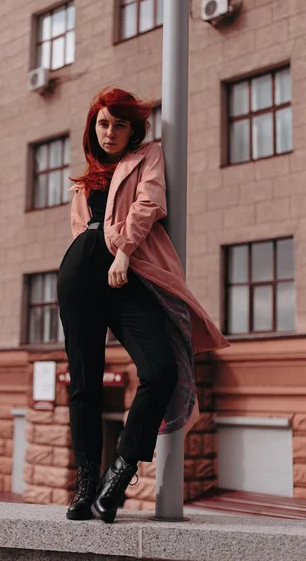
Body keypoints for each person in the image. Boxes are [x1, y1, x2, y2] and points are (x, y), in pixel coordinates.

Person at [57, 87, 230, 524]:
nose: (109, 132)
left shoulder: (147, 156)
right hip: (80, 273)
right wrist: (102, 253)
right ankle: (85, 482)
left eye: (118, 124)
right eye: (102, 123)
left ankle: (122, 470)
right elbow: (82, 233)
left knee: (161, 369)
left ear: (133, 129)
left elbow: (150, 203)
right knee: (84, 383)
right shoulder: (84, 183)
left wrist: (124, 252)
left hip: (128, 272)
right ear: (92, 128)